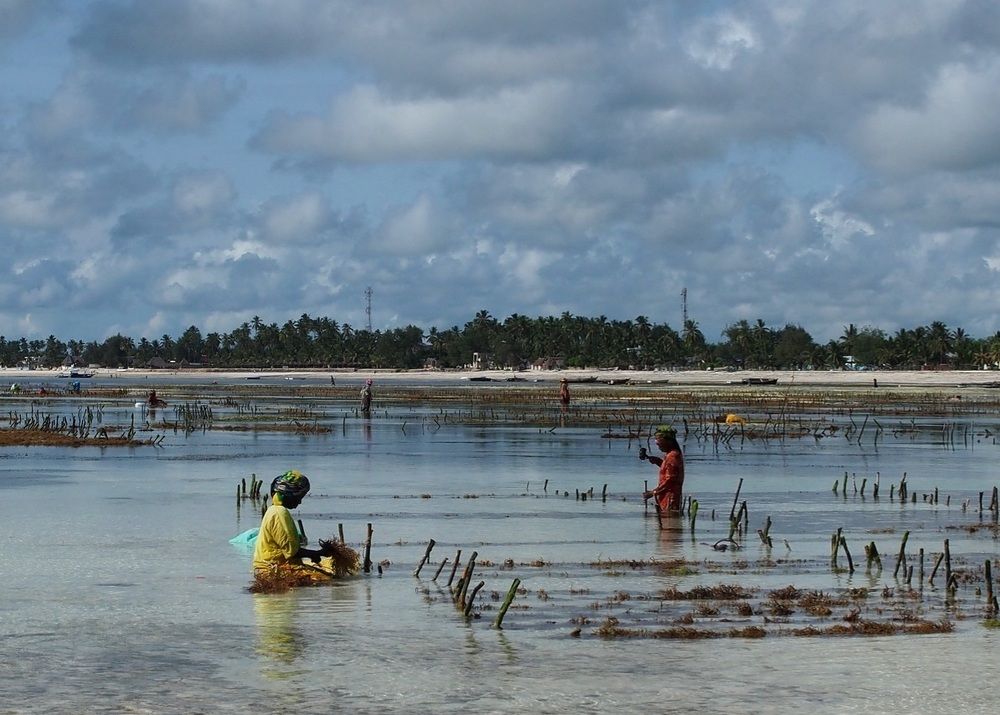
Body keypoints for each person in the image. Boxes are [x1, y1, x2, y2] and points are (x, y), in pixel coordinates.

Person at [252, 470, 327, 572]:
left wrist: (315, 554)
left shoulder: (274, 510)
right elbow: (291, 552)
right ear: (288, 494)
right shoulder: (279, 513)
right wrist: (317, 553)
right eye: (298, 497)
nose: (300, 501)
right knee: (334, 580)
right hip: (273, 570)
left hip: (274, 567)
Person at [639, 425, 685, 513]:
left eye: (660, 444)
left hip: (670, 498)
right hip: (666, 497)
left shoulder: (672, 456)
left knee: (668, 524)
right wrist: (658, 462)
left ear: (669, 442)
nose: (659, 447)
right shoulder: (671, 455)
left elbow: (671, 480)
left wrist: (653, 492)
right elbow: (670, 470)